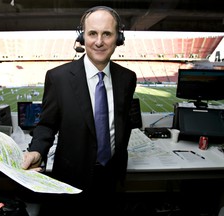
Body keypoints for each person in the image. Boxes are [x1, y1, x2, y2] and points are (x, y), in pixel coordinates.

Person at [22, 5, 137, 216]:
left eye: (107, 34)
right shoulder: (58, 78)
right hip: (71, 179)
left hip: (112, 177)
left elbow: (122, 123)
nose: (99, 41)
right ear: (82, 37)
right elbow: (47, 124)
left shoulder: (128, 78)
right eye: (92, 33)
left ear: (118, 38)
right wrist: (37, 151)